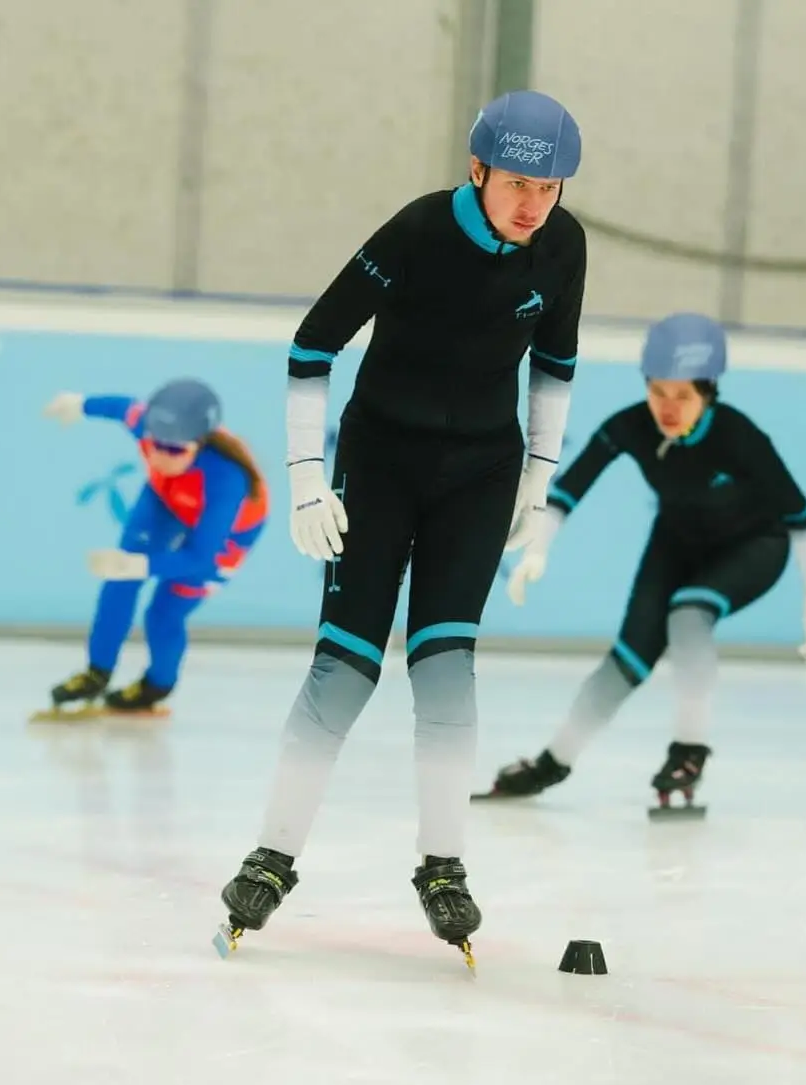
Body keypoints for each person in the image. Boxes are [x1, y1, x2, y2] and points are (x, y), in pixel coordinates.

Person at [215, 90, 588, 966]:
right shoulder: (418, 232)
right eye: (520, 183)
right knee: (343, 670)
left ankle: (443, 865)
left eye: (554, 186)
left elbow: (557, 362)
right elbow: (313, 346)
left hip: (482, 474)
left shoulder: (564, 245)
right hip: (380, 465)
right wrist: (309, 478)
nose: (535, 203)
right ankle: (271, 857)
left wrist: (538, 475)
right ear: (478, 169)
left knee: (446, 668)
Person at [475, 312, 806, 808]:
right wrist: (538, 548)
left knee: (689, 613)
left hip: (755, 545)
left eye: (683, 396)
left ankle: (689, 752)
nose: (667, 408)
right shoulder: (630, 426)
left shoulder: (740, 437)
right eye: (658, 392)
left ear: (709, 392)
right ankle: (551, 764)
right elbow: (567, 492)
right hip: (677, 539)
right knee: (625, 659)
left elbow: (801, 519)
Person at [39, 378, 268, 716]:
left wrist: (141, 566)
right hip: (167, 499)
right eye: (154, 444)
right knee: (119, 580)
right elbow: (122, 407)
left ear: (200, 443)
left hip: (226, 534)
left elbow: (201, 560)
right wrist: (79, 403)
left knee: (163, 613)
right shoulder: (148, 425)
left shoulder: (227, 479)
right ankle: (96, 672)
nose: (160, 455)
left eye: (175, 450)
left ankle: (156, 685)